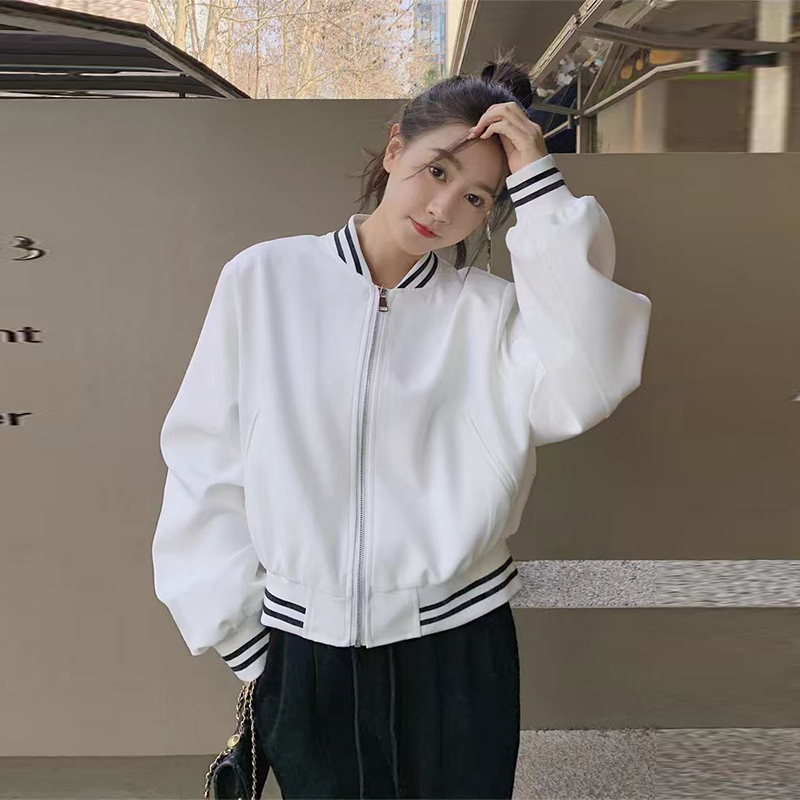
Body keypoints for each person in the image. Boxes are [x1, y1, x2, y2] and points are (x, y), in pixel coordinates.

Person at [151, 55, 652, 799]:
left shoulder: (491, 315)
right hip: (302, 646)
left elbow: (590, 380)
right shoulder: (263, 281)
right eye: (436, 170)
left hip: (458, 649)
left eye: (477, 197)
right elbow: (204, 459)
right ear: (395, 149)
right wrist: (246, 641)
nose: (444, 208)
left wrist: (541, 187)